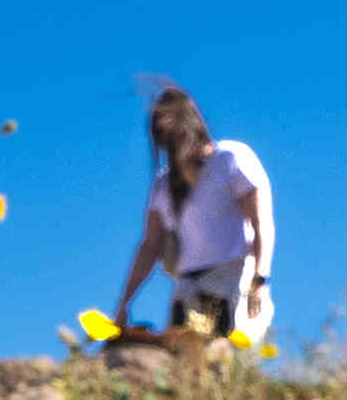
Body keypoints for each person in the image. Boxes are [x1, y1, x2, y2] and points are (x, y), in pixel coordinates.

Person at [117, 83, 277, 342]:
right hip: (189, 288)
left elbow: (261, 222)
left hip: (233, 279)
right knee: (183, 363)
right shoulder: (163, 185)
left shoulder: (230, 159)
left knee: (224, 357)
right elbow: (149, 247)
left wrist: (260, 278)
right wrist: (124, 303)